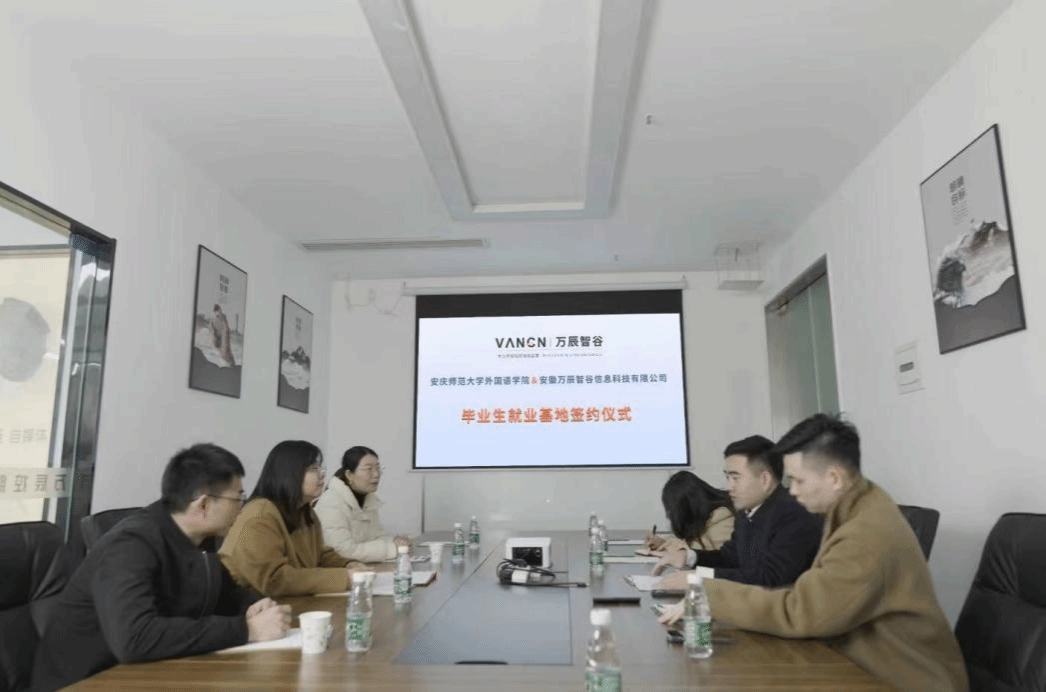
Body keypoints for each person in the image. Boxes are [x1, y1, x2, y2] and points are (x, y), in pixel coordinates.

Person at [662, 414, 967, 691]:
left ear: (834, 478)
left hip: (902, 679)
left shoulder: (864, 535)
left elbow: (800, 612)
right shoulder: (858, 507)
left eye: (798, 480)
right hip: (861, 661)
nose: (792, 490)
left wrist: (709, 595)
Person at [32, 444, 291, 691]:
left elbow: (228, 595)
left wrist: (255, 607)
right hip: (85, 682)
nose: (242, 508)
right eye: (238, 499)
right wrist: (247, 630)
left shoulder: (198, 540)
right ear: (203, 505)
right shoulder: (130, 544)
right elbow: (134, 638)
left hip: (148, 673)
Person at [650, 435, 821, 590]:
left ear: (765, 479)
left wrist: (697, 578)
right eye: (727, 478)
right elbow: (729, 559)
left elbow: (771, 578)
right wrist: (689, 557)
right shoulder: (747, 514)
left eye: (735, 478)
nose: (729, 487)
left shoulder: (794, 515)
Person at [219, 440, 365, 597]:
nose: (322, 475)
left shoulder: (306, 512)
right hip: (246, 605)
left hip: (285, 601)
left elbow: (318, 555)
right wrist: (344, 578)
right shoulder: (259, 513)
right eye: (313, 469)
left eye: (320, 469)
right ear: (289, 473)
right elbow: (273, 579)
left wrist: (348, 564)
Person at [314, 445, 410, 562]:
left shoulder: (369, 499)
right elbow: (341, 551)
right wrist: (393, 548)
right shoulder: (331, 503)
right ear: (349, 475)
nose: (376, 474)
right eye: (369, 469)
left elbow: (374, 538)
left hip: (360, 566)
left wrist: (396, 542)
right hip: (340, 569)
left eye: (378, 468)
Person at [644, 471, 734, 564]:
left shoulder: (722, 520)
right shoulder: (703, 519)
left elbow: (722, 560)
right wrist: (664, 542)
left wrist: (675, 547)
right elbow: (690, 541)